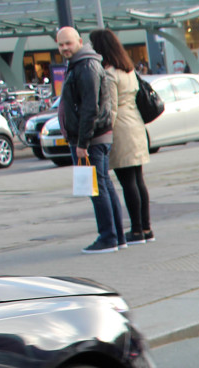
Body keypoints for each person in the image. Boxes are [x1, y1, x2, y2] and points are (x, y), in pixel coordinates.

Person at [56, 26, 126, 253]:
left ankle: (108, 237)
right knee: (104, 184)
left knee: (97, 188)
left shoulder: (86, 65)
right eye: (60, 44)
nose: (64, 48)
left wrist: (82, 143)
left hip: (91, 139)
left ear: (79, 41)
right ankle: (117, 236)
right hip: (95, 137)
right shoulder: (82, 64)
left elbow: (89, 108)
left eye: (68, 43)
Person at [90, 28, 152, 244]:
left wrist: (102, 131)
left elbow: (112, 107)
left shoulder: (109, 73)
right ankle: (146, 227)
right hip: (136, 124)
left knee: (127, 181)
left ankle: (136, 230)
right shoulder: (128, 69)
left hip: (122, 129)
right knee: (138, 179)